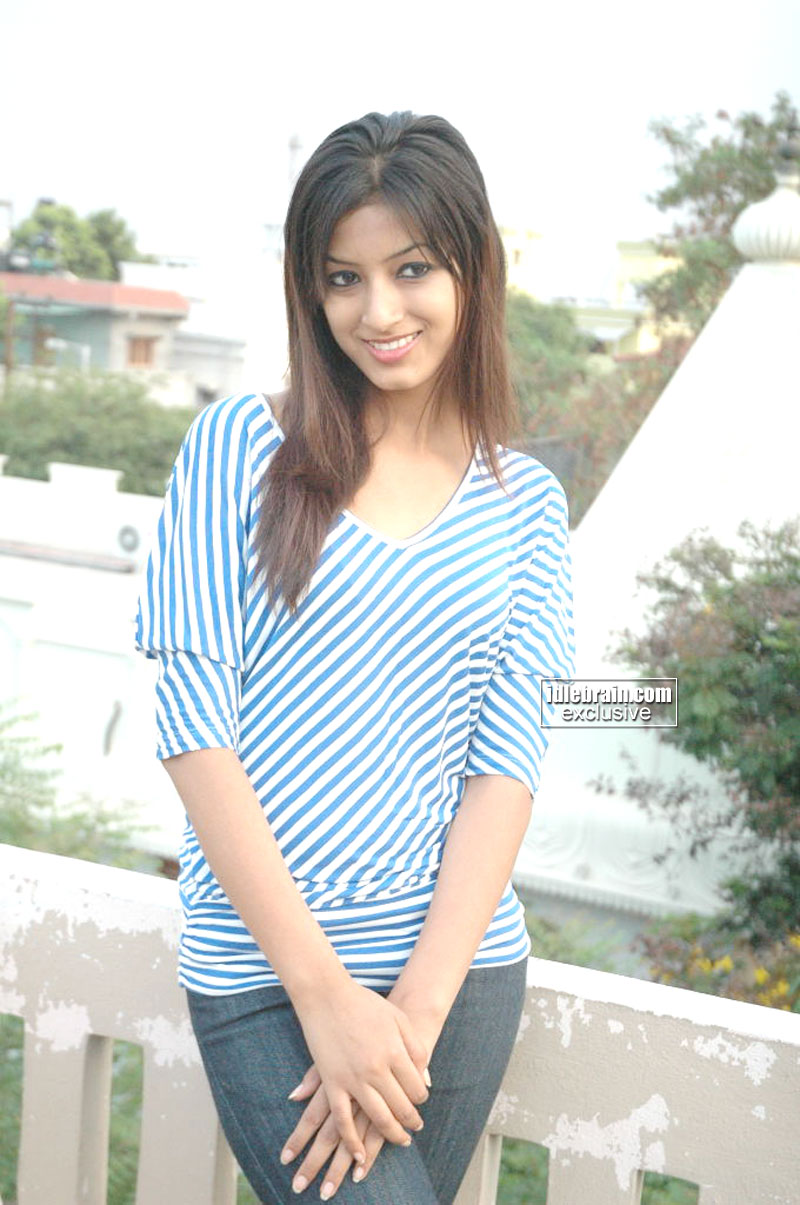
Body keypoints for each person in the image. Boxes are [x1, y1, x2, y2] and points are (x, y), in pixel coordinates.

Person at [133, 109, 575, 1204]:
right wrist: (327, 999)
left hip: (457, 980)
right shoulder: (242, 447)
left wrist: (413, 1010)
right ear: (311, 291)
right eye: (343, 278)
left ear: (472, 269)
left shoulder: (527, 505)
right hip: (267, 978)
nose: (378, 311)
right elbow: (192, 725)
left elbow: (505, 761)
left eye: (411, 268)